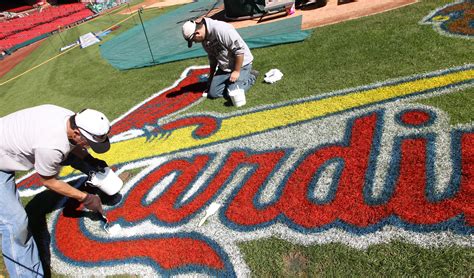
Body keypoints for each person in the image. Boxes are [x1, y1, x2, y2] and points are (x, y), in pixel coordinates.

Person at [0, 104, 111, 277]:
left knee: (72, 152)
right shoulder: (51, 145)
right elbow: (49, 181)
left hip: (7, 145)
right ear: (77, 133)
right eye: (89, 143)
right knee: (15, 223)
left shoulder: (69, 119)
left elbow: (73, 147)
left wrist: (91, 160)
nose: (88, 146)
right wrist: (86, 198)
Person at [182, 18, 258, 99]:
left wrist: (236, 71)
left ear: (197, 33)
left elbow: (239, 51)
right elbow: (212, 57)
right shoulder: (204, 38)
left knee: (232, 93)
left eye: (193, 40)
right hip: (225, 67)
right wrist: (211, 76)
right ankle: (235, 81)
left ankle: (251, 76)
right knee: (213, 93)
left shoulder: (222, 29)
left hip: (241, 64)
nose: (195, 42)